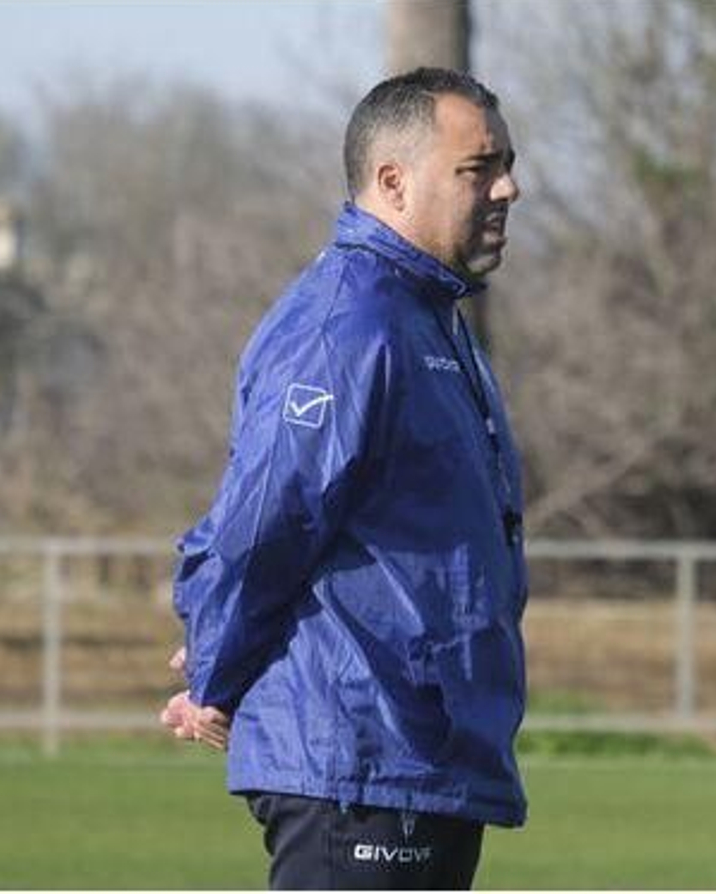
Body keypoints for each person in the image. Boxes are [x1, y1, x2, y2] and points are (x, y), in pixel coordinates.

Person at [158, 67, 527, 890]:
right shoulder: (350, 326)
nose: (510, 187)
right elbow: (265, 520)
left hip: (422, 760)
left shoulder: (428, 319)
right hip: (356, 762)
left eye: (506, 162)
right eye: (480, 168)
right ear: (393, 181)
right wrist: (215, 672)